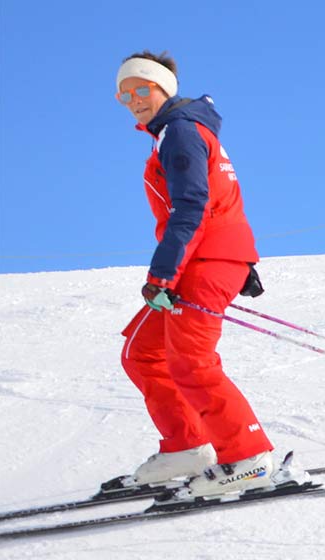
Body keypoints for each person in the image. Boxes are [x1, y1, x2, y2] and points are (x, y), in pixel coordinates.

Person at [112, 51, 279, 497]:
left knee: (191, 362)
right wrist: (240, 259)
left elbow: (193, 206)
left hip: (202, 261)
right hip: (205, 257)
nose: (133, 100)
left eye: (141, 88)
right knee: (142, 352)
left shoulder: (181, 131)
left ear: (163, 87)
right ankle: (188, 445)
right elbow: (220, 195)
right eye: (124, 94)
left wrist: (164, 274)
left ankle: (249, 457)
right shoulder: (178, 130)